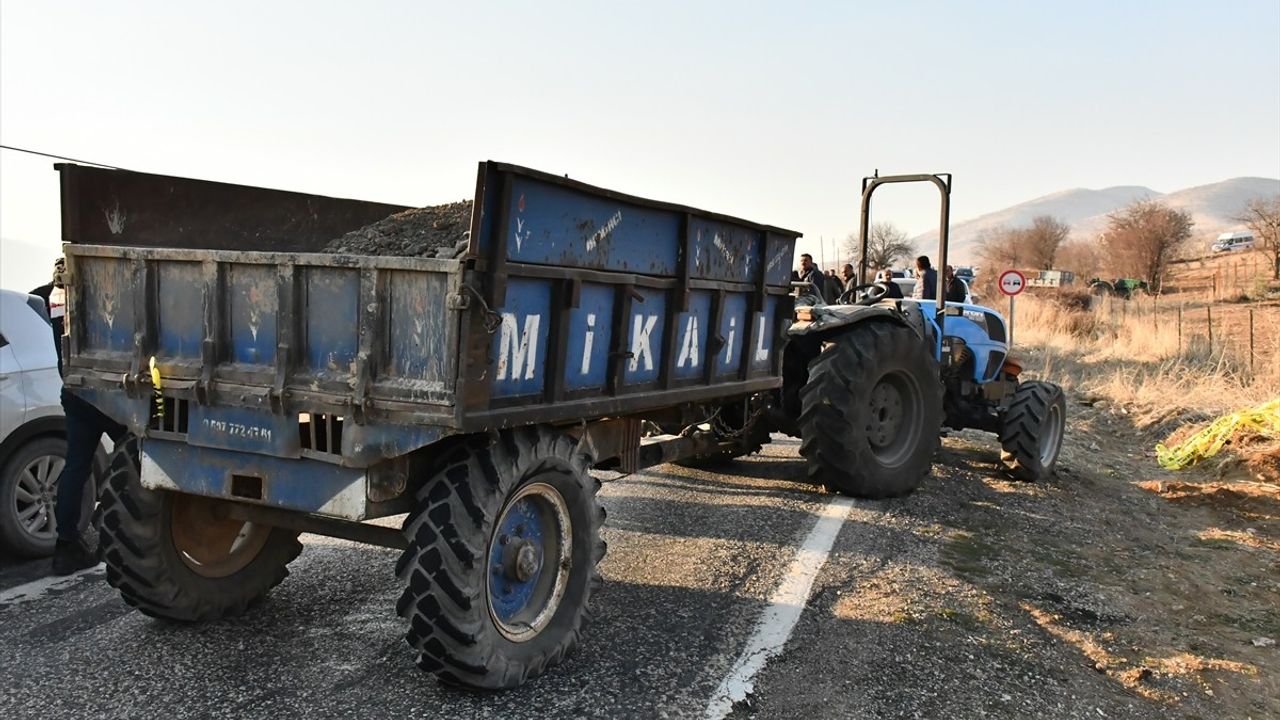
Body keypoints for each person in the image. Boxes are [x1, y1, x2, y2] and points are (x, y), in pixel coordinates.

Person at [35, 258, 127, 575]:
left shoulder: (53, 298)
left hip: (75, 393)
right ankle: (119, 529)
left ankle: (66, 546)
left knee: (76, 466)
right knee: (136, 459)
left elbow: (33, 296)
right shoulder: (103, 297)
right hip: (109, 394)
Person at [29, 258, 67, 374]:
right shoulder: (44, 293)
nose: (60, 271)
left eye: (62, 268)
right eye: (58, 268)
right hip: (56, 340)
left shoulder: (75, 290)